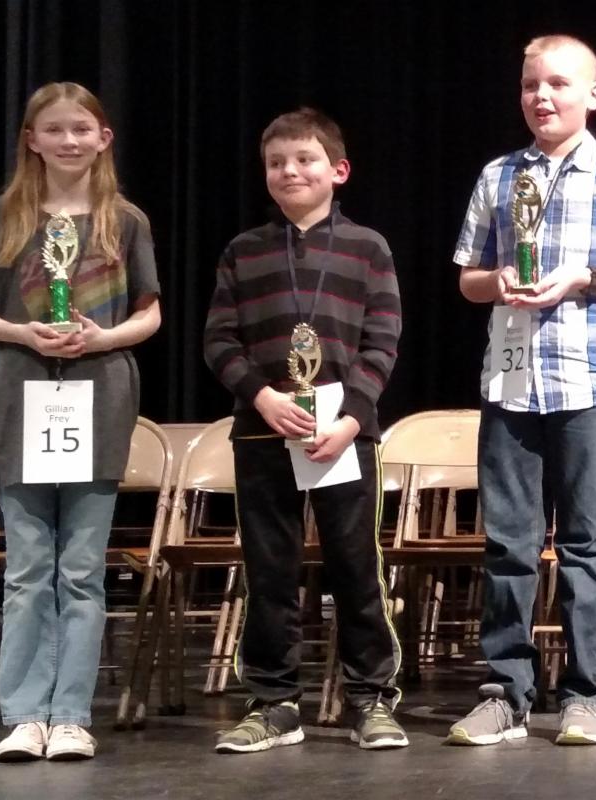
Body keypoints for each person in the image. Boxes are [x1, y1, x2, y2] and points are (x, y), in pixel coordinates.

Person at [447, 35, 596, 746]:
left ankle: (584, 696)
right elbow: (468, 277)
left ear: (593, 95)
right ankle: (504, 694)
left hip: (588, 381)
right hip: (511, 383)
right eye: (529, 86)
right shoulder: (498, 174)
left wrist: (584, 278)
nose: (541, 97)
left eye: (557, 84)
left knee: (585, 545)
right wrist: (497, 282)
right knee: (508, 545)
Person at [0, 82, 161, 761]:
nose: (69, 140)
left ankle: (70, 714)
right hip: (22, 397)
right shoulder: (4, 215)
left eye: (81, 129)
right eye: (54, 129)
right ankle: (25, 715)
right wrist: (20, 331)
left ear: (103, 139)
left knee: (82, 568)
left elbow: (149, 312)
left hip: (100, 399)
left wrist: (103, 338)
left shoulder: (125, 220)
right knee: (27, 568)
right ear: (32, 140)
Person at [204, 108, 407, 753]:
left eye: (305, 159)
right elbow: (219, 340)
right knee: (270, 571)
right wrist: (261, 396)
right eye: (276, 163)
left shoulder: (368, 248)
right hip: (264, 433)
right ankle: (274, 703)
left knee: (356, 568)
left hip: (345, 437)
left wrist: (352, 418)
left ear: (338, 170)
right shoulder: (243, 250)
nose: (289, 171)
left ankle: (371, 699)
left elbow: (382, 341)